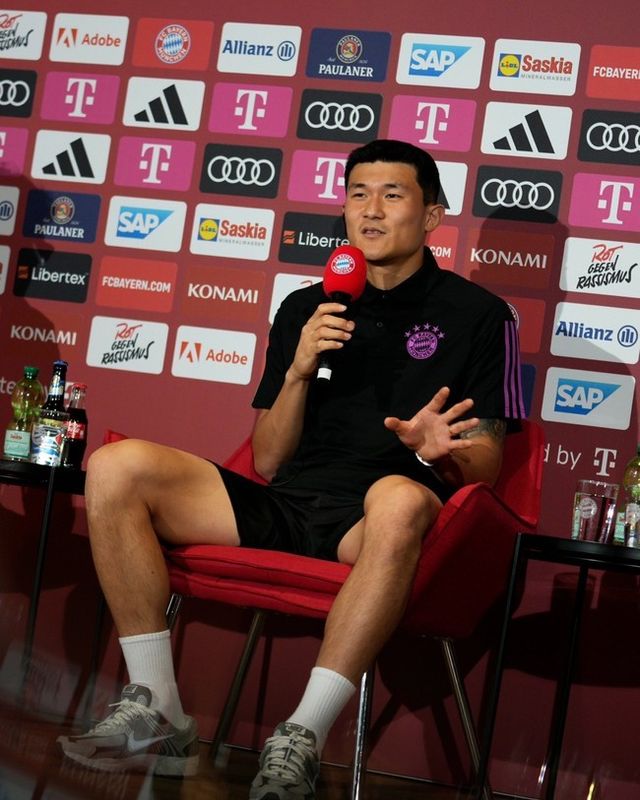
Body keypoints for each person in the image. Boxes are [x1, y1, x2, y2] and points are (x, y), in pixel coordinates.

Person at [58, 139, 525, 798]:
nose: (370, 210)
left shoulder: (478, 316)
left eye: (392, 195)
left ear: (430, 216)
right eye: (358, 194)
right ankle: (157, 706)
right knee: (113, 466)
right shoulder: (309, 306)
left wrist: (430, 450)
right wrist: (300, 371)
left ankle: (302, 733)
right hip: (290, 501)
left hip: (377, 522)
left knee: (398, 498)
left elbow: (486, 469)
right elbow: (269, 457)